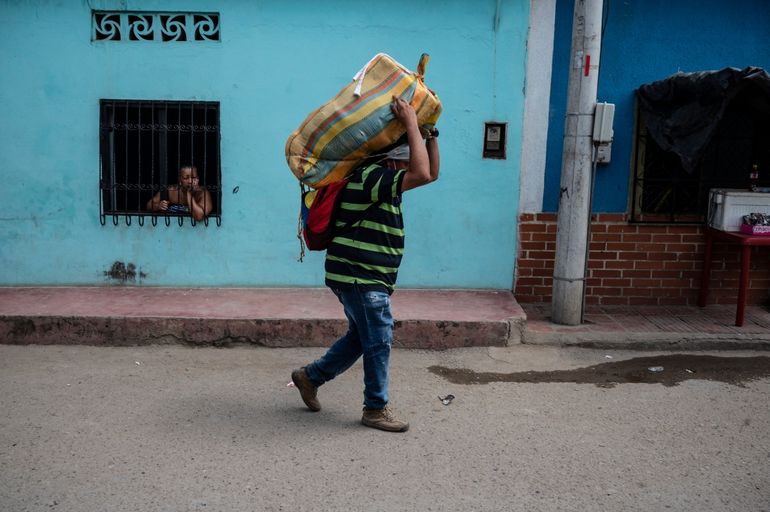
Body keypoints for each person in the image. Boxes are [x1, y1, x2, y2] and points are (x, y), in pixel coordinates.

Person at [291, 96, 440, 432]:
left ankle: (310, 377)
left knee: (362, 337)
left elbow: (429, 175)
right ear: (392, 156)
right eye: (405, 151)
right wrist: (413, 124)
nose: (410, 159)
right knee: (379, 337)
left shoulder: (384, 183)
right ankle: (375, 407)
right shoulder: (371, 177)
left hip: (359, 273)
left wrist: (430, 135)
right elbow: (421, 172)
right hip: (360, 274)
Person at [146, 165, 213, 221]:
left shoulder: (203, 193)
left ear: (198, 179)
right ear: (180, 180)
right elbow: (148, 205)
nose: (190, 181)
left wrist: (189, 193)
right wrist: (158, 206)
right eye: (186, 178)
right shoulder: (171, 190)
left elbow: (199, 217)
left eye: (193, 177)